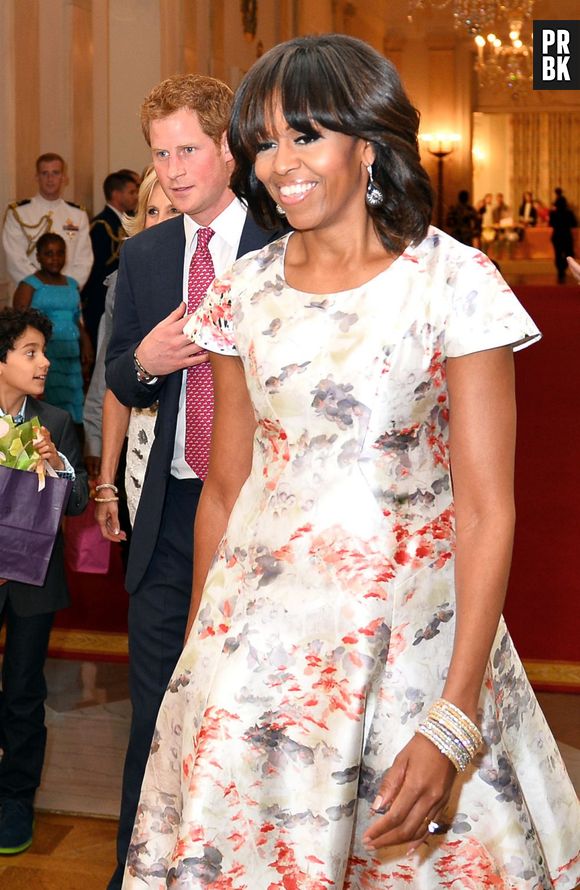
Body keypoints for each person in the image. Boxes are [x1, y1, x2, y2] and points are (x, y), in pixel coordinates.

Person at [123, 35, 580, 889]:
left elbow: (488, 510)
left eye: (306, 136)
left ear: (367, 145)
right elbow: (227, 489)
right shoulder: (243, 291)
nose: (280, 164)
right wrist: (198, 665)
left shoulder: (454, 282)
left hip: (413, 649)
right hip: (256, 654)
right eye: (264, 141)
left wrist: (454, 718)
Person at [104, 73, 284, 890]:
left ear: (226, 151)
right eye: (159, 155)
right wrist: (144, 362)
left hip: (265, 513)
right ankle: (135, 873)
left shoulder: (284, 243)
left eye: (186, 151)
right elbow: (118, 375)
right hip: (172, 511)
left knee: (253, 711)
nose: (172, 171)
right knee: (158, 713)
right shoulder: (143, 255)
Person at [0, 306, 88, 855]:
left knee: (25, 692)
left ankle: (16, 801)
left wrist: (57, 466)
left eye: (44, 352)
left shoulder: (54, 421)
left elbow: (76, 501)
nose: (44, 362)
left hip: (33, 578)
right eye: (30, 352)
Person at [84, 165, 181, 521]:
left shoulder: (219, 274)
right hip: (144, 444)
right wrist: (105, 480)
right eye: (152, 211)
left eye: (173, 210)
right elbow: (110, 382)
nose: (159, 222)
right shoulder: (124, 280)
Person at [12, 233, 92, 425]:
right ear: (38, 256)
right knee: (48, 406)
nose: (55, 258)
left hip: (71, 355)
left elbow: (76, 319)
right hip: (45, 354)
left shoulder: (72, 284)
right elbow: (19, 325)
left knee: (74, 405)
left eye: (60, 253)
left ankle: (72, 449)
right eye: (49, 254)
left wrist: (87, 345)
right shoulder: (29, 285)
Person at [2, 153, 93, 293]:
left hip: (67, 295)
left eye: (55, 173)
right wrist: (42, 287)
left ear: (64, 177)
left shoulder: (78, 214)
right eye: (45, 173)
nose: (50, 179)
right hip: (29, 295)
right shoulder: (18, 213)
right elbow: (15, 259)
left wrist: (67, 288)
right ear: (37, 177)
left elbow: (84, 260)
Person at [81, 171, 140, 349]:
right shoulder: (101, 225)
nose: (136, 197)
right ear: (116, 194)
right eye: (131, 192)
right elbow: (95, 268)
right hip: (101, 298)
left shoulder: (127, 221)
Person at [549, 188, 577, 284]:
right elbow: (574, 224)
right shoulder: (569, 213)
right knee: (568, 254)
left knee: (558, 254)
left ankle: (560, 270)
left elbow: (550, 224)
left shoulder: (553, 213)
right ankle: (563, 268)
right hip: (566, 236)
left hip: (557, 236)